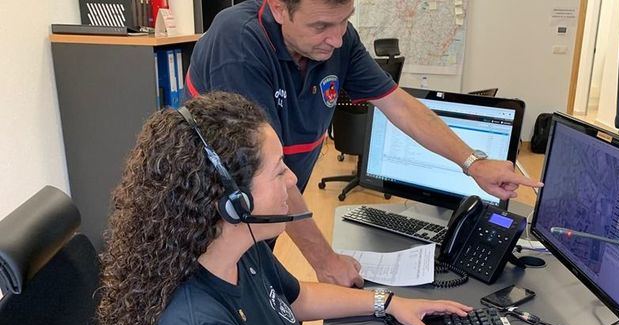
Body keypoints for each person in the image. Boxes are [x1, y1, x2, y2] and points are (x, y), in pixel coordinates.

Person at [92, 92, 472, 325]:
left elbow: (293, 299)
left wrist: (387, 302)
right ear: (233, 203)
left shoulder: (237, 248)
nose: (293, 180)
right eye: (278, 171)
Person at [187, 0, 543, 288]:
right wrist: (324, 262)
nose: (337, 39)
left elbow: (399, 105)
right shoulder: (238, 44)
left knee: (254, 304)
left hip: (267, 213)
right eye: (321, 26)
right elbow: (265, 171)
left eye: (344, 20)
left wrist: (473, 163)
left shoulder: (339, 42)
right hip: (207, 219)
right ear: (279, 9)